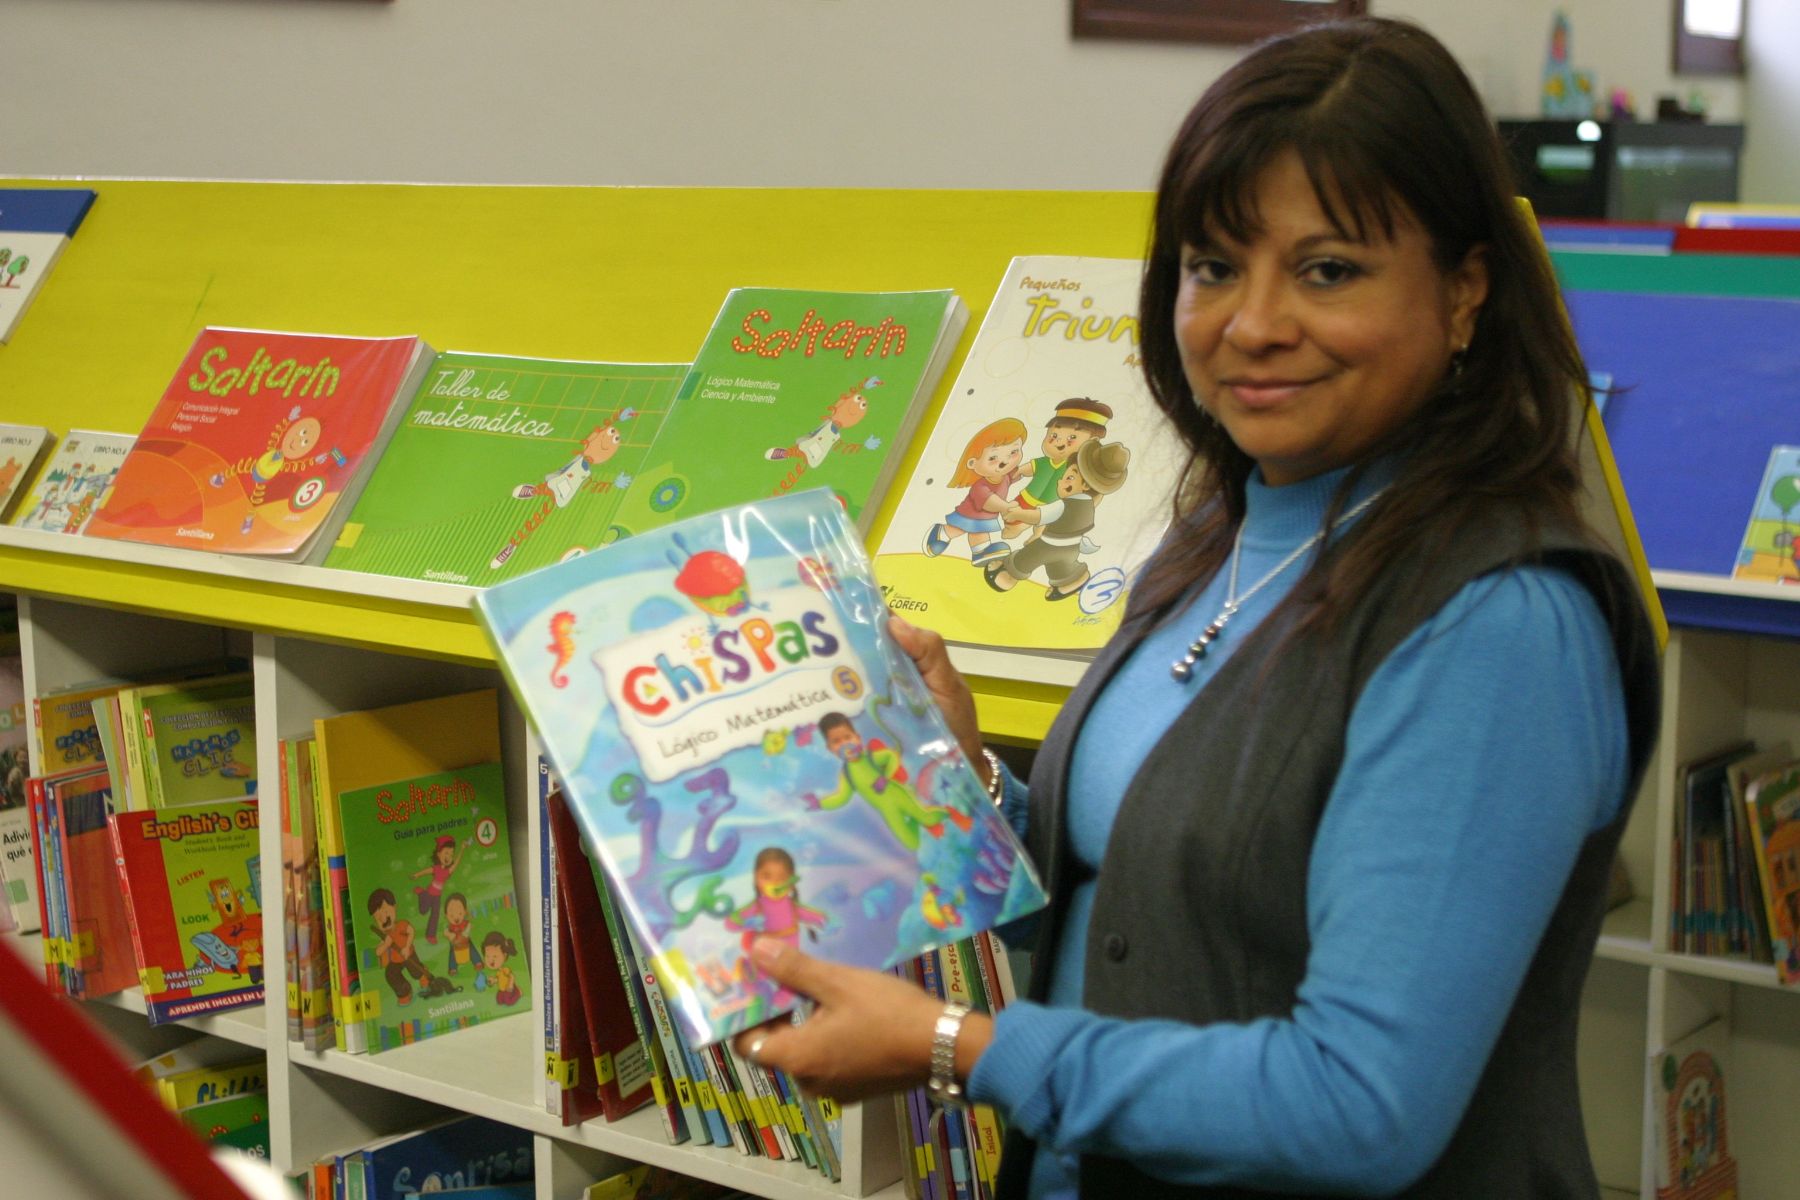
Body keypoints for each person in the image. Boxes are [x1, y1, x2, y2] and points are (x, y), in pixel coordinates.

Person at [729, 16, 1661, 1199]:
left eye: (1328, 270)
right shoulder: (1223, 528)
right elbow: (1136, 909)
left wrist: (954, 1045)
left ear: (1466, 292)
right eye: (1213, 266)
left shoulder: (1503, 621)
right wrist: (961, 780)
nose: (1252, 323)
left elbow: (1360, 1107)